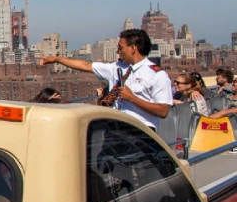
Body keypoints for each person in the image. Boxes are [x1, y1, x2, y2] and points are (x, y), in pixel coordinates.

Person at [38, 28, 172, 130]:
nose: (118, 52)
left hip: (141, 130)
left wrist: (132, 98)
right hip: (115, 128)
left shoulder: (157, 75)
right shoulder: (116, 68)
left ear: (133, 49)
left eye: (120, 48)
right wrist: (57, 59)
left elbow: (163, 111)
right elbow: (85, 65)